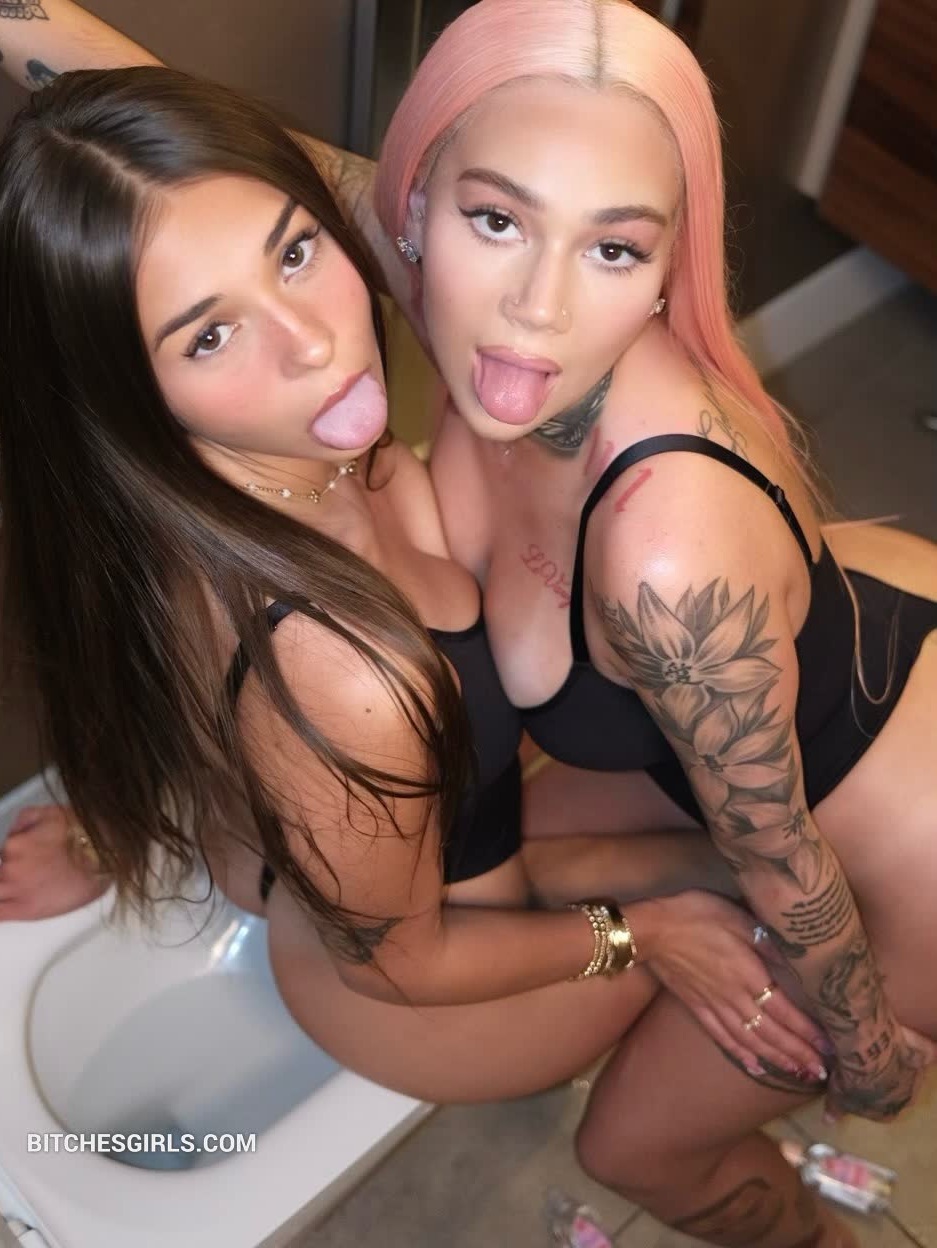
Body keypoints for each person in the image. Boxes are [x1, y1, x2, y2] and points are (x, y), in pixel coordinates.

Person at [0, 64, 836, 1174]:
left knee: (763, 848)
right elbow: (399, 963)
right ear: (123, 395)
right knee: (768, 949)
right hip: (430, 991)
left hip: (388, 858)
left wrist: (109, 833)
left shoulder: (275, 467)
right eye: (208, 337)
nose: (314, 341)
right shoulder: (337, 662)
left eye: (293, 252)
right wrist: (644, 931)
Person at [369, 1, 937, 1243]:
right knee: (477, 882)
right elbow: (195, 157)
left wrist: (866, 1060)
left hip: (902, 859)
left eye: (613, 249)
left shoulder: (662, 562)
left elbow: (786, 867)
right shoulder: (437, 288)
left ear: (668, 263)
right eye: (496, 219)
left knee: (630, 1147)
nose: (534, 307)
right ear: (411, 204)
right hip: (835, 661)